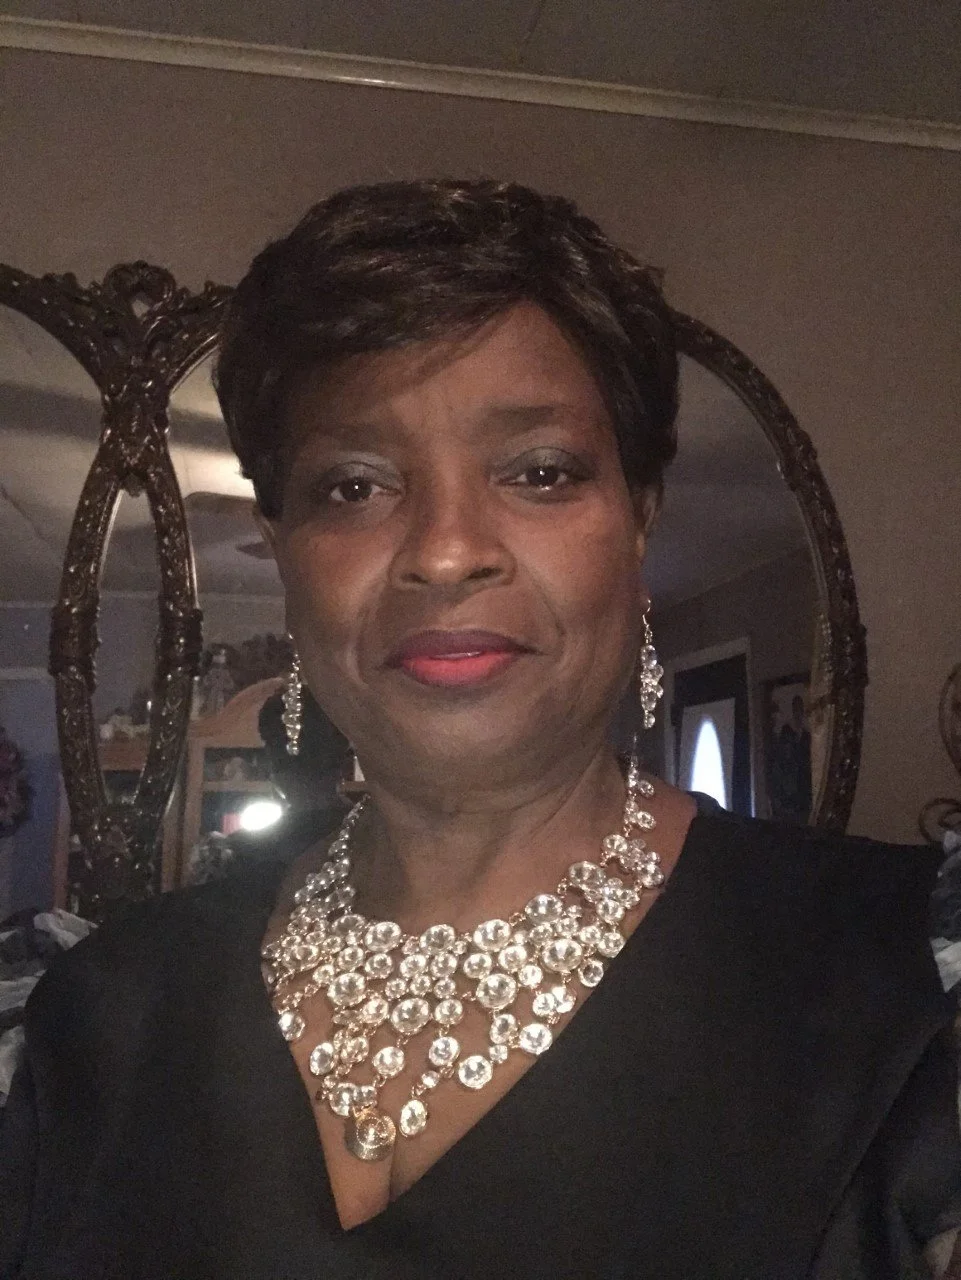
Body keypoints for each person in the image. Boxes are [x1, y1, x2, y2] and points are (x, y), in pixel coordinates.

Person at [1, 179, 958, 1279]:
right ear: (284, 547)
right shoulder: (88, 1021)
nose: (445, 551)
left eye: (539, 472)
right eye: (353, 486)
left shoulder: (905, 984)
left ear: (637, 520)